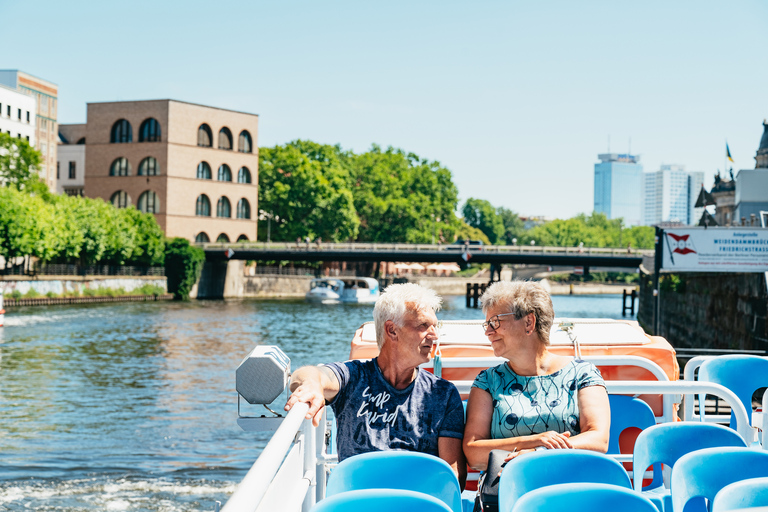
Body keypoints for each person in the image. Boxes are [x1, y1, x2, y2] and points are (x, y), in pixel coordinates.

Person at [284, 283, 467, 487]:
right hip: (358, 501)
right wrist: (312, 385)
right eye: (423, 326)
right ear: (392, 330)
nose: (434, 336)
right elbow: (311, 374)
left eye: (435, 326)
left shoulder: (443, 394)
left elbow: (453, 474)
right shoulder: (353, 378)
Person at [463, 280, 610, 473]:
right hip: (509, 491)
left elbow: (598, 439)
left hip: (572, 487)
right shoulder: (488, 382)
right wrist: (532, 441)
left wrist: (537, 453)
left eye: (495, 322)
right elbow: (472, 453)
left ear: (528, 322)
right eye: (487, 324)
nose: (488, 332)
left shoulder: (582, 375)